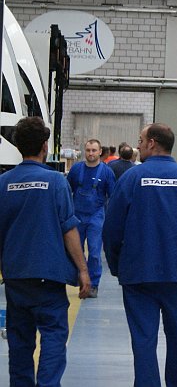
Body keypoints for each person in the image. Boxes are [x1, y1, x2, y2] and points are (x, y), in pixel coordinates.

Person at [103, 123, 177, 387]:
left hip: (138, 276)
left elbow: (111, 229)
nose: (138, 145)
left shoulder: (131, 179)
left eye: (141, 140)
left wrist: (118, 267)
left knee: (143, 341)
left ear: (152, 143)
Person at [0, 116, 91, 387]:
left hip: (16, 276)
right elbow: (69, 230)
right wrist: (83, 270)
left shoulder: (3, 183)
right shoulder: (55, 182)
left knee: (19, 340)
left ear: (18, 146)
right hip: (49, 276)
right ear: (45, 146)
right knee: (53, 335)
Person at [66, 138, 116, 298]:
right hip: (77, 216)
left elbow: (113, 196)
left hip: (96, 216)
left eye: (94, 150)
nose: (91, 153)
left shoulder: (107, 172)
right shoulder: (76, 169)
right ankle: (81, 280)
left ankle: (93, 284)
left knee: (94, 252)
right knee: (76, 250)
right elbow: (67, 191)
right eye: (88, 150)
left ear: (100, 152)